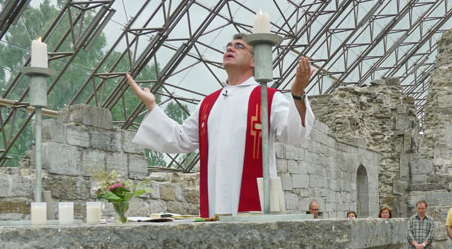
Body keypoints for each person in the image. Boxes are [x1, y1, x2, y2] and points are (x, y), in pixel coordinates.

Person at [127, 34, 314, 218]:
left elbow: (294, 134)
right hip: (215, 199)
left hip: (255, 203)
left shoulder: (267, 97)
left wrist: (297, 94)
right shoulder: (208, 103)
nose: (230, 48)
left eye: (239, 46)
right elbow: (181, 138)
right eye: (228, 46)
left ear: (254, 62)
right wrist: (151, 105)